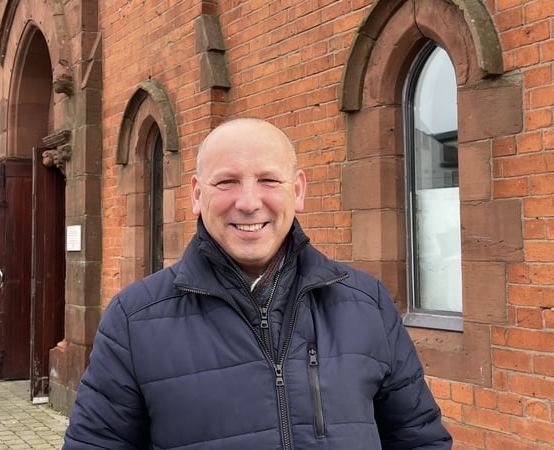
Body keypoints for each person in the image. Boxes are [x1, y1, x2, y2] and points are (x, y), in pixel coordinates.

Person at [63, 118, 452, 449]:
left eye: (268, 179)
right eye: (227, 182)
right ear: (197, 194)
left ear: (297, 190)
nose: (249, 202)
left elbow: (420, 438)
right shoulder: (134, 320)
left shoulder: (367, 303)